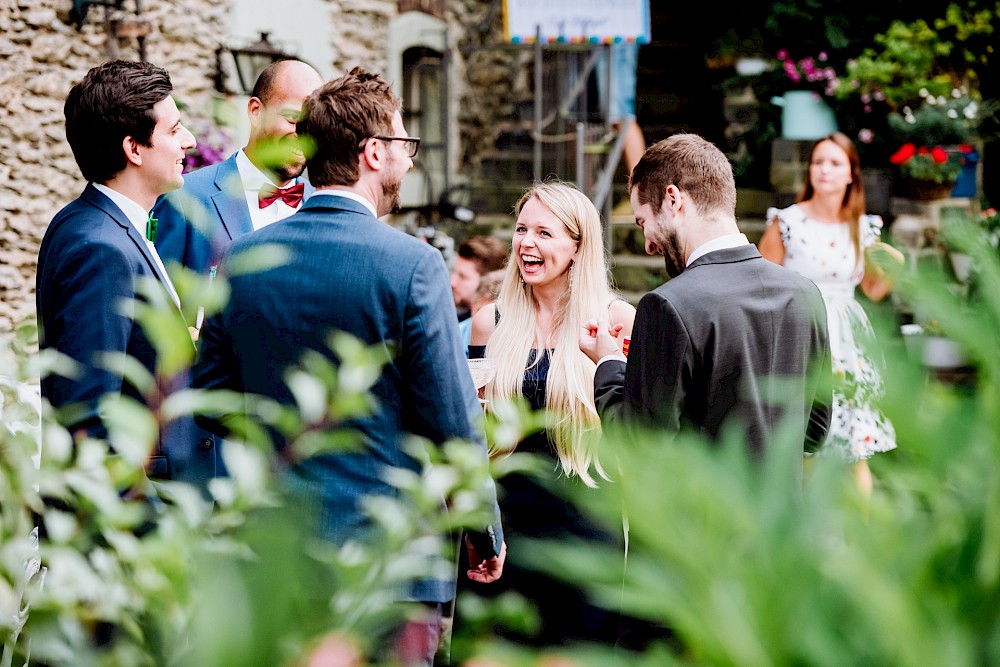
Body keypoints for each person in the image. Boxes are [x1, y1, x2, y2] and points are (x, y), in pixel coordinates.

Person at [191, 66, 505, 667]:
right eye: (404, 145)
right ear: (371, 153)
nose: (409, 161)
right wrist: (482, 525)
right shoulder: (413, 265)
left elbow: (211, 395)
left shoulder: (246, 255)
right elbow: (452, 417)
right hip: (388, 565)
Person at [457, 180, 636, 648]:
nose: (526, 244)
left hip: (586, 517)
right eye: (521, 230)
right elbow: (475, 426)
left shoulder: (617, 320)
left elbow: (632, 426)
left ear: (578, 247)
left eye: (543, 233)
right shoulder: (489, 321)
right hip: (507, 520)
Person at [580, 133, 831, 464]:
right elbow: (814, 432)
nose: (648, 245)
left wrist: (608, 363)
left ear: (673, 199)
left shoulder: (667, 305)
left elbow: (637, 444)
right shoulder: (805, 293)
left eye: (644, 222)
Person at [35, 59, 222, 484]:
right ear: (133, 149)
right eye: (174, 131)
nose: (189, 142)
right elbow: (88, 421)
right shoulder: (101, 249)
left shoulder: (92, 223)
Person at [758, 131, 903, 494]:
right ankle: (806, 530)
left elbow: (873, 289)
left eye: (834, 163)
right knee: (807, 438)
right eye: (818, 162)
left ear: (851, 174)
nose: (824, 170)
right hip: (801, 332)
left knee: (854, 446)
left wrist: (896, 266)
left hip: (849, 341)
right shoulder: (787, 222)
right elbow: (759, 282)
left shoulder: (862, 227)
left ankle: (863, 540)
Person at [153, 59, 325, 275]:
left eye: (311, 123)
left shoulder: (322, 205)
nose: (302, 134)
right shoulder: (184, 199)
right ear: (255, 111)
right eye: (292, 118)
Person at [596, 41, 646, 174]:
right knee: (576, 118)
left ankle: (641, 190)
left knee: (621, 117)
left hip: (616, 36)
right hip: (583, 38)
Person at [451, 235, 508, 325]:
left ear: (491, 282)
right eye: (454, 272)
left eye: (463, 276)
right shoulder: (456, 324)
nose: (452, 282)